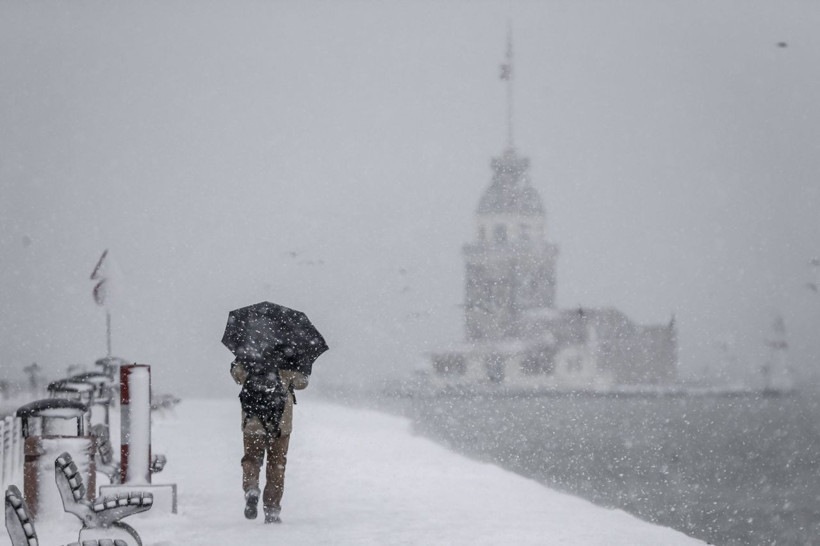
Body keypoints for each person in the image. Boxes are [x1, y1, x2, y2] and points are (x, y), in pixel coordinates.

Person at [231, 356, 309, 524]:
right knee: (276, 464)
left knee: (251, 458)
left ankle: (251, 488)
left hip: (253, 421)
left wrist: (237, 362)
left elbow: (238, 376)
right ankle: (272, 509)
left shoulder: (249, 352)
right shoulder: (289, 355)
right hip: (280, 423)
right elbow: (302, 383)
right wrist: (301, 369)